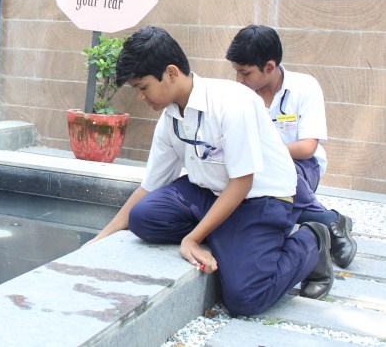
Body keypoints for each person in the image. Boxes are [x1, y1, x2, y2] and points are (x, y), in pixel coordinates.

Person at [85, 26, 333, 317]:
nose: (141, 97)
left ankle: (313, 241)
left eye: (143, 87)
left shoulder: (232, 103)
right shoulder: (170, 116)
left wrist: (192, 238)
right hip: (211, 191)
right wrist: (101, 238)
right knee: (143, 218)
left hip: (260, 199)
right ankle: (227, 236)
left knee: (245, 299)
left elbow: (242, 182)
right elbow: (150, 186)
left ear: (171, 73)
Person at [225, 24, 357, 268]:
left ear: (270, 67)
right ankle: (328, 220)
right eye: (236, 72)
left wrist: (268, 155)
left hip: (302, 166)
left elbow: (307, 147)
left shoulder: (304, 87)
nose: (239, 79)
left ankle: (322, 226)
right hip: (256, 168)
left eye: (245, 73)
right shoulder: (239, 95)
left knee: (277, 175)